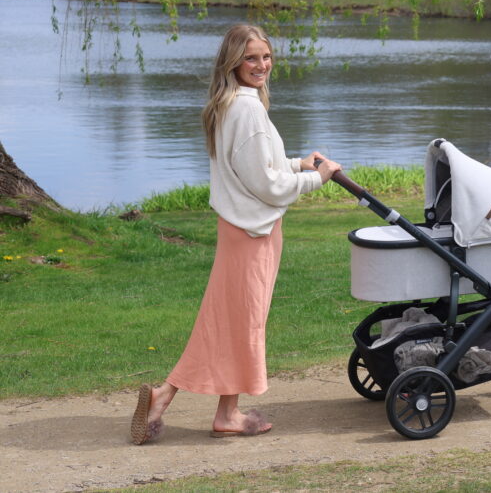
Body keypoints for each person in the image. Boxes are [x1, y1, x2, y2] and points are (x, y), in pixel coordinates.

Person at [129, 24, 342, 445]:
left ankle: (202, 405)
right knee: (241, 322)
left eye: (265, 56)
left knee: (229, 320)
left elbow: (256, 163)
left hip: (237, 228)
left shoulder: (228, 103)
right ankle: (184, 401)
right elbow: (265, 184)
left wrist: (297, 161)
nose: (261, 65)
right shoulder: (247, 109)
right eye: (251, 58)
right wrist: (316, 179)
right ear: (233, 62)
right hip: (253, 233)